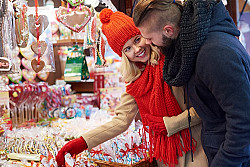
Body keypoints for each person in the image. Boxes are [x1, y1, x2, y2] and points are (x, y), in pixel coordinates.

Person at [56, 8, 208, 167]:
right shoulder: (136, 81)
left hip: (196, 149)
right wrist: (81, 143)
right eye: (127, 49)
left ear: (144, 34)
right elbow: (121, 121)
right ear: (123, 56)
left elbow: (205, 107)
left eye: (136, 39)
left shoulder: (173, 62)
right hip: (166, 158)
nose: (137, 50)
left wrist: (169, 124)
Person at [132, 0, 250, 166]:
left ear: (168, 30)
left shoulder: (214, 54)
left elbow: (243, 120)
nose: (147, 43)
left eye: (149, 38)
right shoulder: (193, 48)